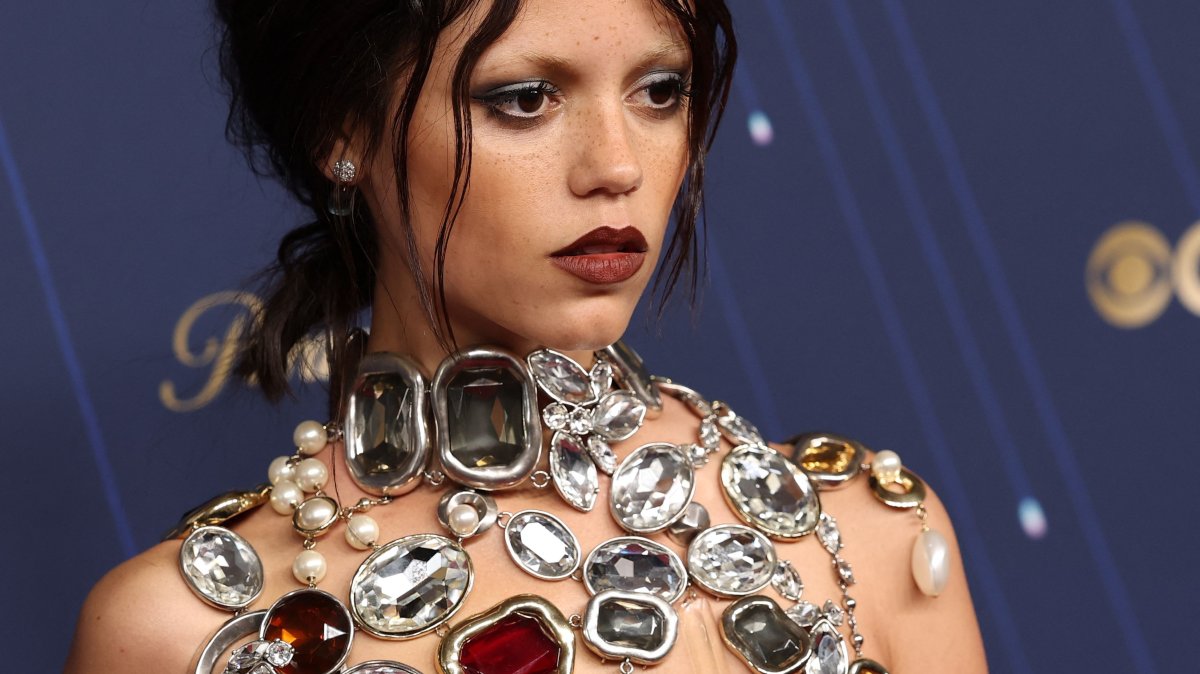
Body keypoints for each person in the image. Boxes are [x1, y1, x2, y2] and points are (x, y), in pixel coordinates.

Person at [65, 0, 988, 672]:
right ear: (337, 128)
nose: (615, 165)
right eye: (523, 99)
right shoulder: (182, 633)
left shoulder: (866, 539)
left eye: (660, 90)